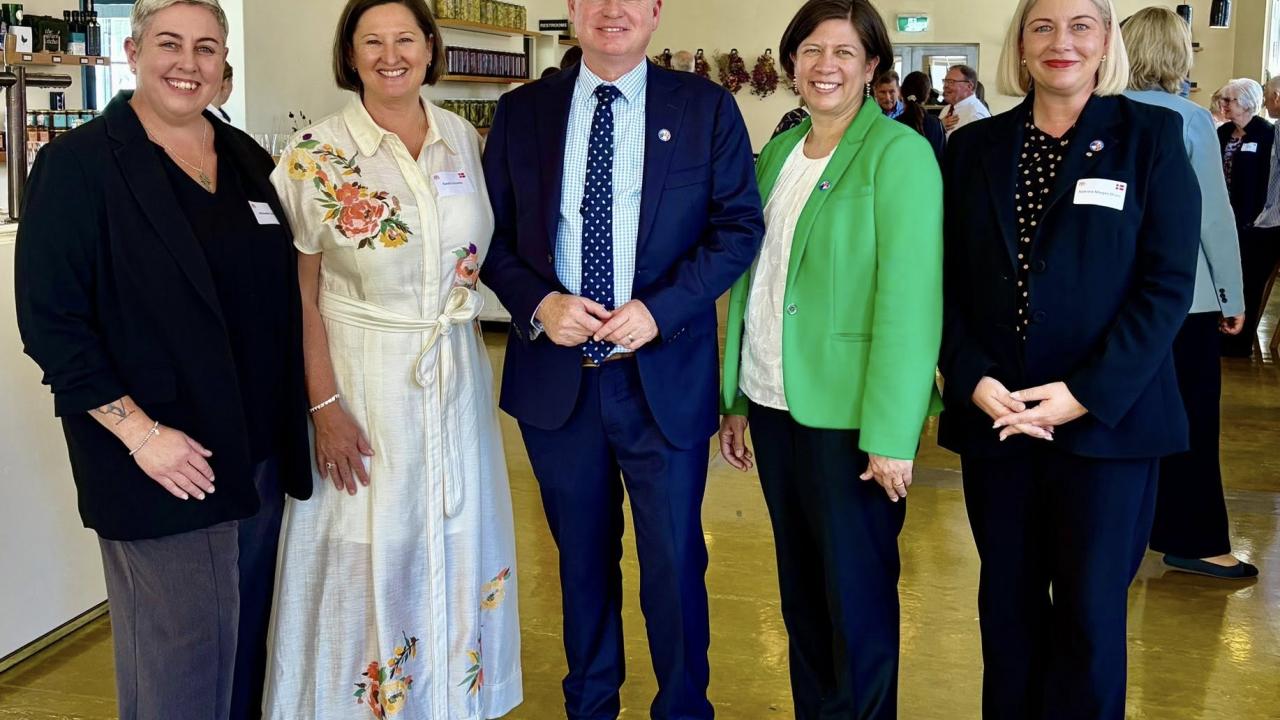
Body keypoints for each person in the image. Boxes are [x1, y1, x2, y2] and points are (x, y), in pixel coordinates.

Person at [14, 1, 311, 718]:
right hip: (162, 463)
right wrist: (141, 435)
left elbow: (281, 295)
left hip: (257, 460)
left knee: (242, 658)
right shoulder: (78, 165)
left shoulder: (247, 160)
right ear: (133, 49)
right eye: (170, 44)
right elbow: (53, 326)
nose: (188, 63)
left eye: (206, 48)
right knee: (180, 670)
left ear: (223, 64)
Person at [479, 0, 765, 715]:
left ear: (657, 11)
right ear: (572, 10)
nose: (613, 10)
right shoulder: (522, 113)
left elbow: (737, 229)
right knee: (578, 565)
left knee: (674, 564)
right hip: (559, 387)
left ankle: (681, 707)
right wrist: (540, 304)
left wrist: (660, 309)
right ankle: (592, 704)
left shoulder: (706, 109)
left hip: (661, 381)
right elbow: (491, 239)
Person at [939, 0, 1200, 716]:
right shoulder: (971, 149)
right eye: (1043, 27)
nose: (1062, 42)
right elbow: (945, 284)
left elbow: (1167, 284)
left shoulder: (1150, 136)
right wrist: (972, 378)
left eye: (1081, 25)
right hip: (1000, 421)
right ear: (1020, 45)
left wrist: (1083, 392)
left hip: (1106, 427)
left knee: (1089, 620)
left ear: (1106, 41)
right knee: (1009, 615)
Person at [262, 0, 522, 717]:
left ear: (430, 47)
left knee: (454, 531)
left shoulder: (464, 140)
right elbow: (301, 297)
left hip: (453, 373)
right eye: (370, 41)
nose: (390, 54)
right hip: (361, 378)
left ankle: (447, 700)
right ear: (349, 55)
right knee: (365, 545)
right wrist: (323, 406)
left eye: (405, 38)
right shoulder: (314, 155)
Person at [717, 1, 943, 717]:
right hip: (777, 403)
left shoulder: (898, 154)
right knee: (804, 598)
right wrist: (736, 399)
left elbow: (910, 302)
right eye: (811, 50)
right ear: (791, 63)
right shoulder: (783, 150)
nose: (825, 66)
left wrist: (891, 434)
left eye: (844, 52)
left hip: (850, 419)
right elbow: (759, 283)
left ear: (873, 65)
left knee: (859, 603)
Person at [1121, 7, 1256, 581]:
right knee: (1192, 419)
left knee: (1116, 415)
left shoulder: (1097, 112)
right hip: (1184, 298)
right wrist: (1233, 297)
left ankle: (1123, 533)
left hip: (1113, 296)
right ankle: (1195, 538)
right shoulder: (1189, 119)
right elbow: (1212, 219)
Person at [1216, 77, 1276, 357]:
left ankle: (1239, 342)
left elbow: (1268, 182)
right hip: (1222, 217)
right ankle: (1218, 331)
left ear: (1249, 104)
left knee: (1249, 280)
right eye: (1223, 100)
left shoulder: (1267, 134)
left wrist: (1253, 217)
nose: (1225, 105)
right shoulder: (1223, 132)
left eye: (1231, 100)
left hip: (1253, 222)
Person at [899, 70, 947, 162]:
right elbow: (941, 159)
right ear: (927, 95)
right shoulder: (936, 124)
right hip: (930, 175)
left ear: (901, 92)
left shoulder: (895, 124)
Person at [940, 63, 990, 136]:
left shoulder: (976, 115)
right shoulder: (946, 109)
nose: (945, 86)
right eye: (945, 81)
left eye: (951, 82)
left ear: (969, 86)